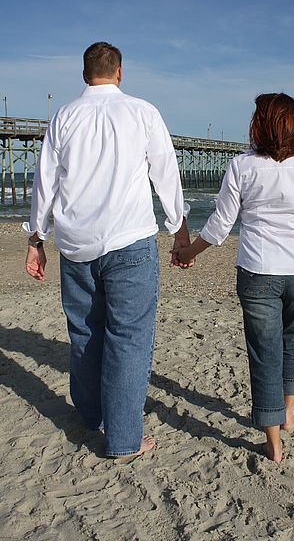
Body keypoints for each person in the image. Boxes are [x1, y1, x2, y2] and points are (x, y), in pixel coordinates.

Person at [23, 41, 193, 458]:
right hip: (129, 240)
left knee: (85, 332)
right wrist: (180, 230)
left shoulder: (64, 115)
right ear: (120, 72)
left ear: (85, 74)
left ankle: (91, 415)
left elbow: (45, 183)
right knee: (129, 339)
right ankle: (122, 439)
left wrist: (36, 239)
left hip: (75, 244)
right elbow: (166, 175)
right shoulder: (142, 111)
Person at [177, 92, 294, 463]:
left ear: (260, 125)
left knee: (264, 354)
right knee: (293, 339)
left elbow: (220, 225)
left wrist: (187, 253)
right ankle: (290, 414)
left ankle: (273, 441)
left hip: (258, 270)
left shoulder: (242, 166)